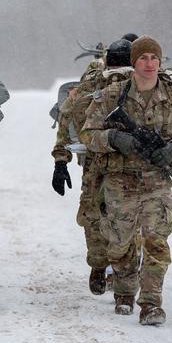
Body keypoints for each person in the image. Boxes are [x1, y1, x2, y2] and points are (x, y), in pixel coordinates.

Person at [80, 35, 172, 325]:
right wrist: (113, 138)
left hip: (158, 181)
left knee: (156, 241)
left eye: (154, 58)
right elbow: (88, 133)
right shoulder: (111, 96)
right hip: (120, 181)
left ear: (160, 62)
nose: (149, 64)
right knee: (120, 242)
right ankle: (124, 291)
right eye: (143, 58)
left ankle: (151, 303)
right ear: (134, 62)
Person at [52, 38, 135, 300]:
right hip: (108, 163)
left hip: (114, 163)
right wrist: (60, 160)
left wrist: (61, 159)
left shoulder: (97, 84)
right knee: (108, 218)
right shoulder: (99, 85)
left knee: (101, 217)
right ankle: (106, 267)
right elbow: (68, 113)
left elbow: (65, 116)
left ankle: (109, 270)